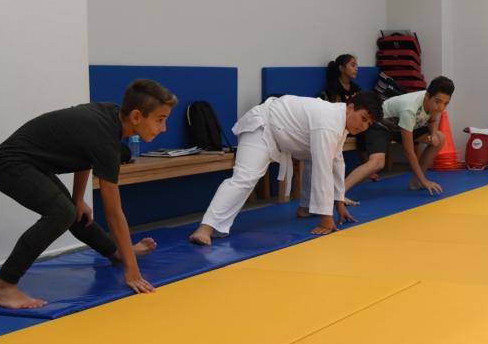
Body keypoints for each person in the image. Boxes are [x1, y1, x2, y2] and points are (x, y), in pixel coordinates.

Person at [0, 79, 177, 309]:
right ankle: (2, 286)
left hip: (30, 164)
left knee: (73, 212)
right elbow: (114, 212)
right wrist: (133, 271)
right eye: (160, 120)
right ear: (136, 116)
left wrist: (78, 199)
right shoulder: (106, 140)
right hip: (9, 164)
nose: (163, 128)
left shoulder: (111, 117)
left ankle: (115, 252)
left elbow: (84, 152)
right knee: (61, 212)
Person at [189, 90, 382, 245]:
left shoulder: (340, 123)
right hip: (262, 126)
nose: (364, 127)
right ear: (350, 107)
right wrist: (326, 219)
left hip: (282, 136)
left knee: (323, 158)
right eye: (363, 118)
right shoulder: (329, 121)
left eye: (369, 123)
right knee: (246, 177)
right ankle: (205, 228)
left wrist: (338, 202)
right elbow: (323, 170)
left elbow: (336, 162)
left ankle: (306, 207)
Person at [343, 76, 455, 197]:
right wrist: (425, 181)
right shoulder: (410, 109)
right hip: (381, 125)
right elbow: (409, 151)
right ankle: (340, 191)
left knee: (440, 138)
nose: (441, 107)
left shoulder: (434, 104)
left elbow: (432, 120)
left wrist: (433, 134)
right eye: (438, 102)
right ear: (427, 96)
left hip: (400, 127)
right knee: (378, 163)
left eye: (445, 103)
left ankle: (416, 181)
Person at [297, 54, 364, 217]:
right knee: (318, 161)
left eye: (357, 65)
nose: (356, 68)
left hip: (342, 128)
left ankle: (332, 201)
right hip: (326, 128)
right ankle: (309, 205)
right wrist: (327, 216)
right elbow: (336, 113)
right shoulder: (333, 89)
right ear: (341, 68)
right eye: (352, 65)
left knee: (333, 161)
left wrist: (338, 201)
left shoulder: (356, 88)